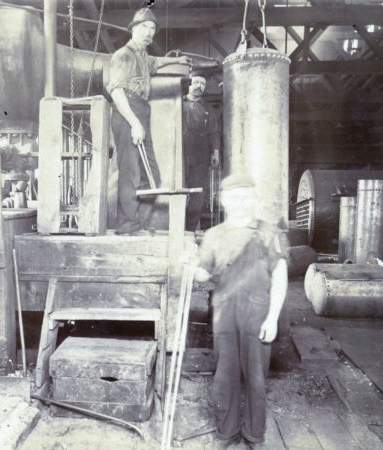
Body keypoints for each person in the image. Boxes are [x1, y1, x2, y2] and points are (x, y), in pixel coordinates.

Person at [194, 173, 289, 448]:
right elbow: (203, 273)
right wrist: (190, 265)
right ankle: (227, 432)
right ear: (223, 200)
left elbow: (280, 278)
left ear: (255, 198)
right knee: (225, 376)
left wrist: (272, 318)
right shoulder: (213, 235)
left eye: (246, 196)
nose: (240, 202)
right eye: (234, 197)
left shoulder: (270, 234)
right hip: (224, 314)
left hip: (257, 314)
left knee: (257, 379)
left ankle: (253, 435)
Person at [106, 8, 189, 235]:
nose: (149, 33)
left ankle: (137, 223)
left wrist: (177, 59)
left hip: (141, 111)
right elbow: (117, 92)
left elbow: (155, 62)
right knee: (131, 172)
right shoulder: (124, 55)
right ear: (133, 29)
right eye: (144, 28)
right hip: (127, 112)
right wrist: (134, 122)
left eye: (152, 29)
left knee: (152, 175)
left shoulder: (143, 56)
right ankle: (127, 225)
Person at [182, 72, 220, 231]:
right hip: (179, 155)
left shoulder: (208, 109)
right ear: (188, 84)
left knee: (198, 195)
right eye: (196, 82)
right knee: (179, 191)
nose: (199, 86)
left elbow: (214, 132)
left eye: (203, 84)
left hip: (200, 157)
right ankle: (175, 227)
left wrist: (216, 152)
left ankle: (190, 230)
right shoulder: (177, 103)